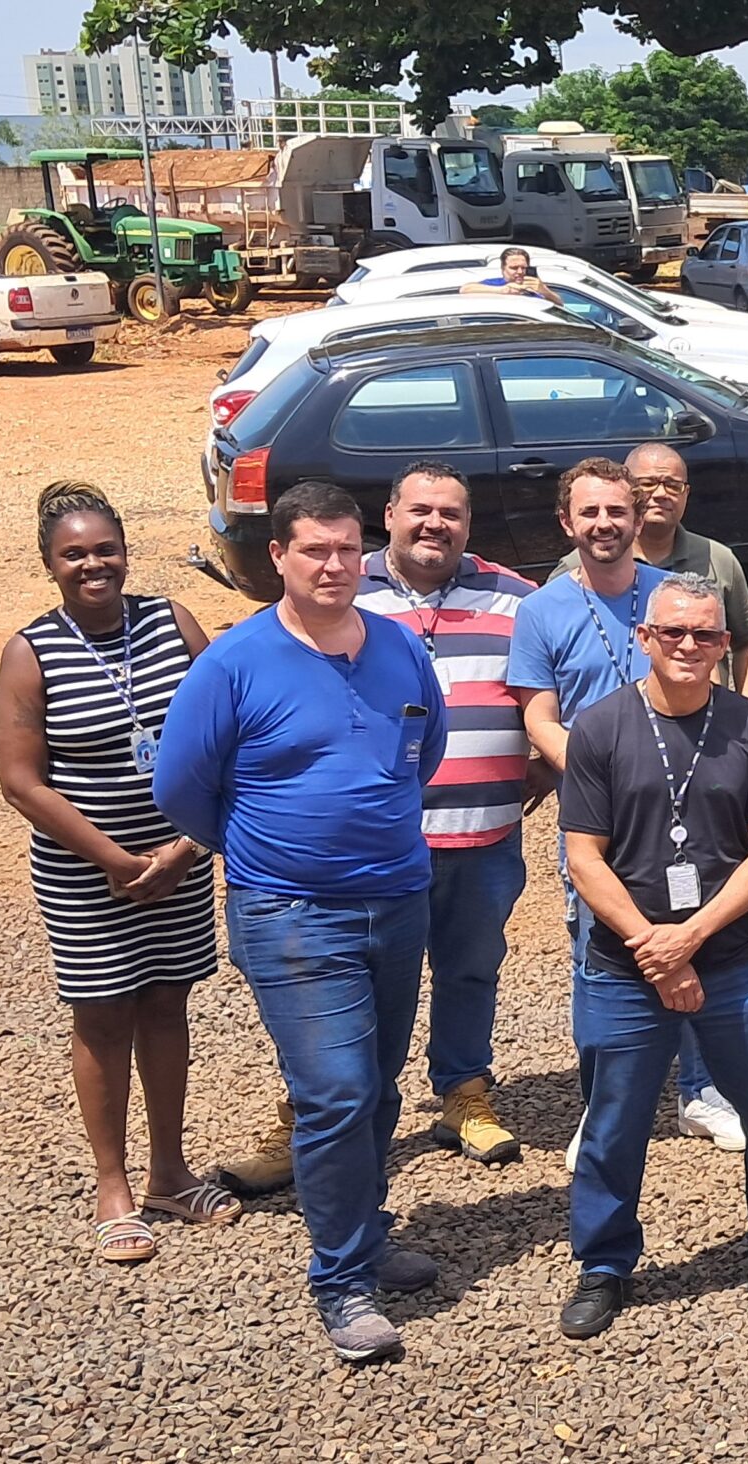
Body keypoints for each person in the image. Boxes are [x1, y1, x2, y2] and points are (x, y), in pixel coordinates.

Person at [153, 482, 448, 1363]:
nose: (333, 565)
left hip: (397, 899)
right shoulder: (235, 663)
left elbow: (423, 752)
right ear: (277, 556)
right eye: (314, 550)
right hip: (291, 912)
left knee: (380, 1086)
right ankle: (341, 1281)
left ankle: (366, 1229)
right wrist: (268, 849)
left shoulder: (398, 645)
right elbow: (181, 788)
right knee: (337, 1092)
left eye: (347, 548)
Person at [554, 574, 748, 1336]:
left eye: (706, 634)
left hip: (736, 960)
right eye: (674, 632)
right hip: (626, 968)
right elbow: (584, 858)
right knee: (613, 1122)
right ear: (644, 638)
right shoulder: (600, 728)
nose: (689, 645)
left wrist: (691, 937)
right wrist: (656, 947)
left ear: (723, 645)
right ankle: (603, 1264)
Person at [0, 482, 231, 1264]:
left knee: (166, 1005)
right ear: (50, 564)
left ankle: (170, 1172)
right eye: (74, 554)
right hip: (86, 876)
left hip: (179, 860)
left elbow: (228, 731)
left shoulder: (173, 622)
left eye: (105, 549)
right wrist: (118, 861)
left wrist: (184, 848)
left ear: (126, 552)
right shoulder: (31, 652)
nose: (93, 564)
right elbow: (21, 782)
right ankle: (113, 1186)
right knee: (102, 1018)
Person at [511, 460, 741, 1157]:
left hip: (690, 811)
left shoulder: (672, 598)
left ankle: (701, 1091)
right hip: (601, 820)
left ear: (638, 518)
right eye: (590, 512)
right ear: (567, 523)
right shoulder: (541, 610)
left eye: (617, 511)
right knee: (601, 961)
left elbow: (711, 684)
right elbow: (539, 717)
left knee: (700, 943)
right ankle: (606, 1106)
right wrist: (601, 777)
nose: (605, 524)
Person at [358, 463, 538, 1167]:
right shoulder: (347, 592)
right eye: (420, 510)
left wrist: (549, 770)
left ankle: (464, 1093)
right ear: (390, 514)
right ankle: (336, 1109)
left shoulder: (516, 599)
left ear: (468, 524)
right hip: (378, 841)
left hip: (483, 832)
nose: (435, 524)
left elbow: (555, 693)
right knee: (365, 977)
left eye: (451, 513)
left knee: (471, 967)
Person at [555, 444, 748, 699]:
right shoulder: (575, 568)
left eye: (673, 485)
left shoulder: (718, 560)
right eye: (648, 483)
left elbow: (747, 641)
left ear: (686, 493)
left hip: (700, 716)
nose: (661, 493)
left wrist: (747, 712)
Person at [458, 246, 561, 303]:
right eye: (514, 268)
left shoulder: (534, 287)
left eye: (523, 268)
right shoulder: (497, 284)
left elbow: (559, 304)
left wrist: (544, 291)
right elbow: (465, 289)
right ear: (503, 269)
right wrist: (502, 290)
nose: (520, 272)